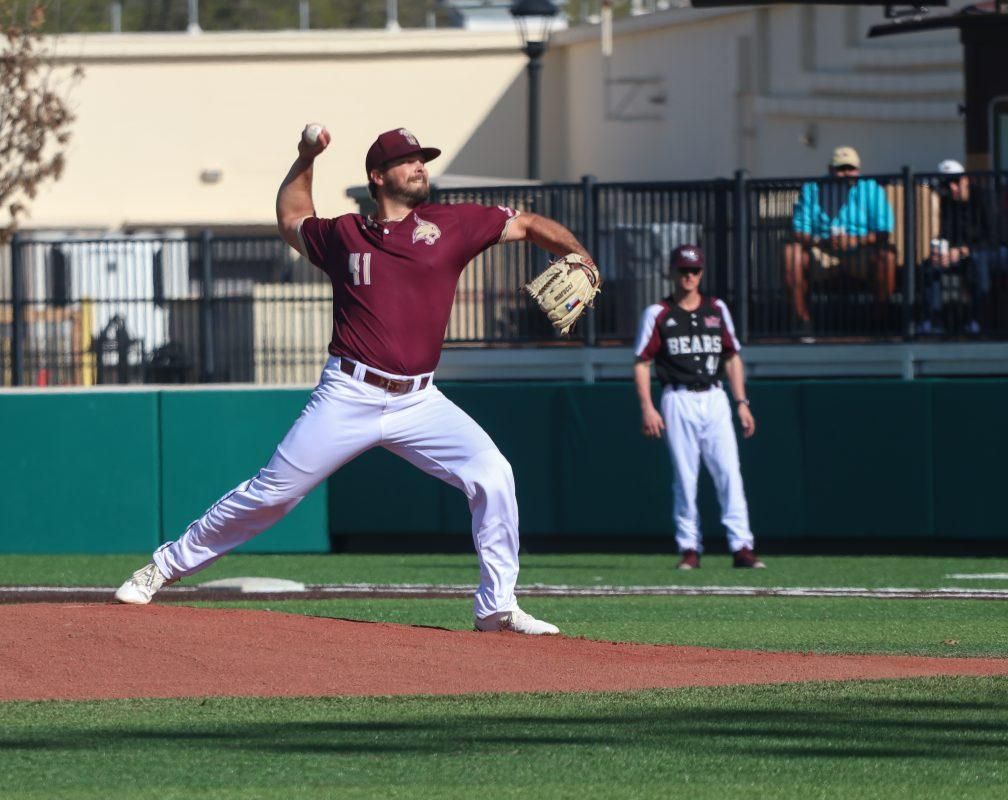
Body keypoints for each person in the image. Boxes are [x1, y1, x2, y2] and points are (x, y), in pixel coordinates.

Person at [114, 125, 598, 634]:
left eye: (422, 159)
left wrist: (579, 255)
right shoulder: (346, 235)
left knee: (494, 475)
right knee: (274, 493)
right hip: (349, 392)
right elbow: (291, 217)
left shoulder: (452, 224)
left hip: (420, 400)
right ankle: (163, 567)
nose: (420, 166)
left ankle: (496, 607)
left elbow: (527, 223)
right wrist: (305, 157)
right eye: (408, 160)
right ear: (378, 176)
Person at [633, 245, 765, 570]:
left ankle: (741, 546)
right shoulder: (658, 312)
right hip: (677, 397)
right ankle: (689, 547)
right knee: (685, 476)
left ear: (702, 273)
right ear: (672, 272)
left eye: (694, 270)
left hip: (715, 395)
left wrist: (742, 403)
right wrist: (648, 407)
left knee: (729, 473)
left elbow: (732, 357)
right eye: (683, 270)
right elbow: (641, 362)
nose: (689, 276)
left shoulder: (716, 309)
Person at [782, 145, 896, 329]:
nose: (846, 173)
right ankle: (801, 322)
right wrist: (821, 241)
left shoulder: (871, 188)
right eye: (841, 169)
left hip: (862, 251)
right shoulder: (812, 189)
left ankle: (880, 322)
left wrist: (857, 240)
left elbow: (884, 231)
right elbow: (798, 229)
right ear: (830, 169)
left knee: (887, 256)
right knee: (791, 254)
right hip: (821, 250)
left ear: (858, 170)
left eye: (850, 168)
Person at [919, 159, 1004, 336]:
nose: (951, 187)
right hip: (964, 255)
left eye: (955, 181)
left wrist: (964, 250)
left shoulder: (985, 197)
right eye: (946, 184)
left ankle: (978, 320)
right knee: (931, 264)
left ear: (965, 180)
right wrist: (943, 253)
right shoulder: (948, 203)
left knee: (978, 260)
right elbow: (946, 234)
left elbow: (994, 237)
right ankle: (932, 320)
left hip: (993, 252)